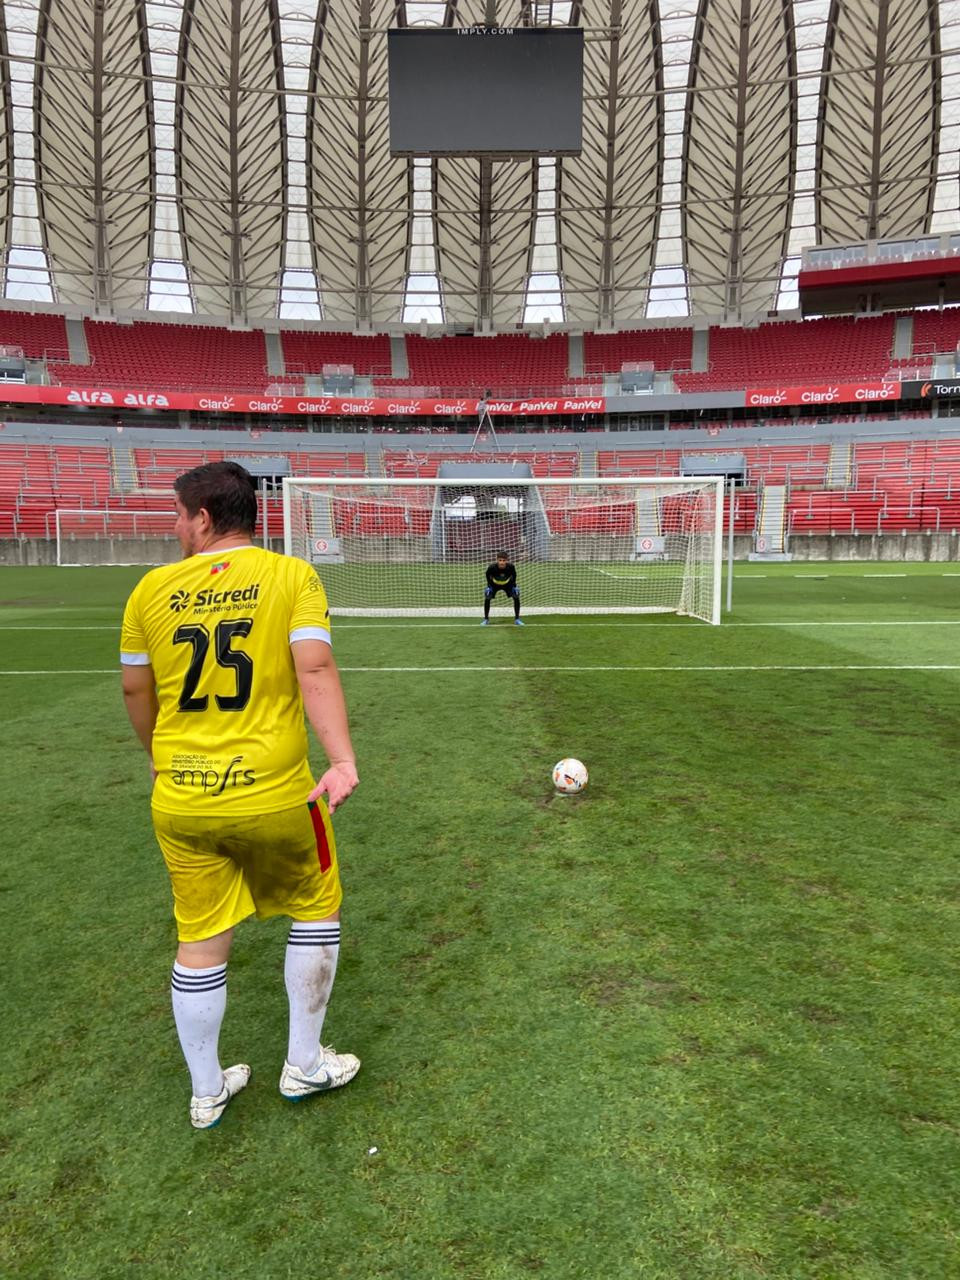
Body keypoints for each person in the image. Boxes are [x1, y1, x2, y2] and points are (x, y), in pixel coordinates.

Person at [120, 461, 360, 1129]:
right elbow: (314, 665)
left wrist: (157, 758)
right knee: (316, 908)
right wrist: (341, 759)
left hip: (183, 801)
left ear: (202, 518)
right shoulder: (291, 575)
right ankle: (303, 1063)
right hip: (278, 795)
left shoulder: (150, 589)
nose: (176, 526)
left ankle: (207, 1090)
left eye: (178, 514)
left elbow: (136, 688)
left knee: (199, 938)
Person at [482, 551, 524, 626]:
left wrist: (514, 586)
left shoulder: (511, 567)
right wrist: (488, 586)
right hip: (494, 584)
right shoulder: (492, 567)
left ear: (507, 560)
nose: (502, 562)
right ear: (497, 560)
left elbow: (514, 575)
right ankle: (486, 619)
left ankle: (517, 619)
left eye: (504, 560)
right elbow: (487, 575)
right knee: (487, 597)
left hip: (507, 584)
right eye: (500, 560)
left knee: (516, 596)